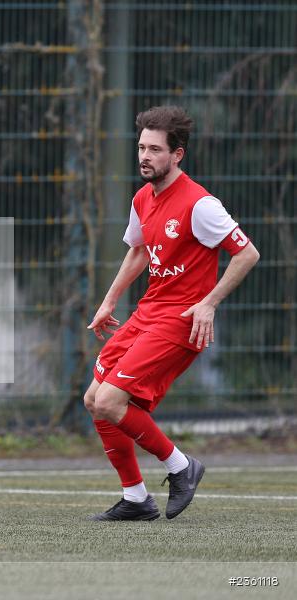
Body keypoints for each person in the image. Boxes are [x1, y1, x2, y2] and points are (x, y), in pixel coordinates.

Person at [84, 105, 260, 521]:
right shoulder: (143, 197)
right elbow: (139, 250)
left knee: (111, 399)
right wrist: (109, 301)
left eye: (155, 150)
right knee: (94, 399)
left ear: (177, 154)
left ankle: (182, 468)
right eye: (141, 147)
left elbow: (247, 253)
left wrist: (208, 303)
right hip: (147, 314)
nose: (145, 156)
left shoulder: (201, 204)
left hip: (179, 322)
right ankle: (135, 498)